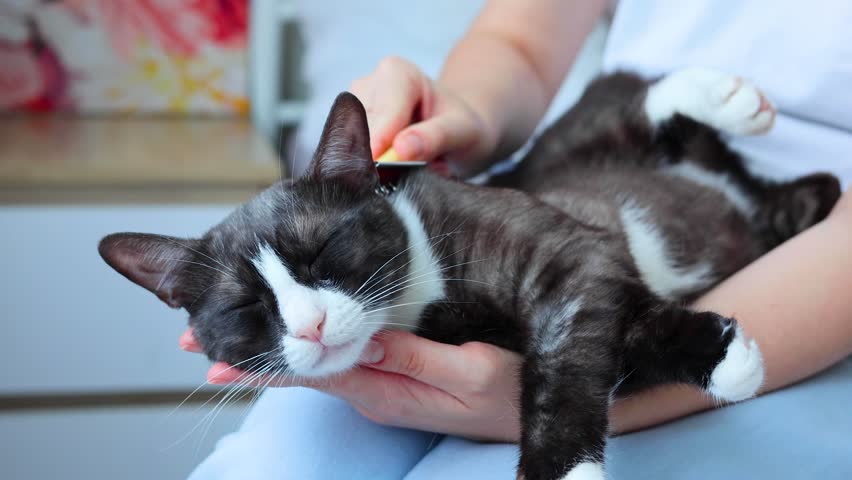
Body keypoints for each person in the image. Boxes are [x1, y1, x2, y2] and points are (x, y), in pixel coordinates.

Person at [188, 1, 852, 478]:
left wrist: (576, 397)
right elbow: (521, 40)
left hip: (810, 298)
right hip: (609, 143)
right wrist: (466, 112)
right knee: (273, 466)